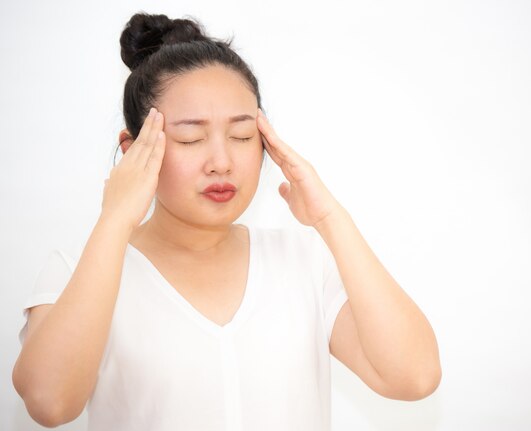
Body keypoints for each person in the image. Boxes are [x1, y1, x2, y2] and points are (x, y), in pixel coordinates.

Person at [12, 12, 441, 431]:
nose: (221, 162)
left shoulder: (304, 261)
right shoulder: (75, 274)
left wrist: (331, 218)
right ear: (133, 150)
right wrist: (114, 220)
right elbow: (50, 404)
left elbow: (413, 377)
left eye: (241, 137)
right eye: (190, 138)